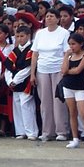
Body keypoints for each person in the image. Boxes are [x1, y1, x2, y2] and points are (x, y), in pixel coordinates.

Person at [30, 8, 70, 141]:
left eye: (52, 16)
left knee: (58, 101)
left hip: (58, 69)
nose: (49, 18)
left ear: (58, 19)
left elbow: (66, 53)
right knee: (45, 102)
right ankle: (47, 131)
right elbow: (35, 54)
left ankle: (62, 131)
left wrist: (64, 69)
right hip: (42, 69)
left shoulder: (64, 33)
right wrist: (32, 74)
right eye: (47, 16)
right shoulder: (40, 33)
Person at [60, 32, 84, 150]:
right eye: (70, 44)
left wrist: (69, 70)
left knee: (83, 113)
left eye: (74, 44)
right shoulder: (69, 56)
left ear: (81, 44)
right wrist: (66, 57)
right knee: (72, 112)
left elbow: (78, 70)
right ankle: (75, 139)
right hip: (68, 86)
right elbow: (63, 70)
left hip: (80, 87)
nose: (71, 47)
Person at [4, 25, 38, 140]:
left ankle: (31, 132)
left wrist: (16, 80)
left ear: (28, 36)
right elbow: (8, 66)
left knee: (26, 106)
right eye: (17, 36)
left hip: (25, 81)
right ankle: (20, 131)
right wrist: (9, 81)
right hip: (14, 82)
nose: (20, 38)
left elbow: (28, 69)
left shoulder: (31, 50)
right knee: (17, 106)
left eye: (22, 36)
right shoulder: (15, 50)